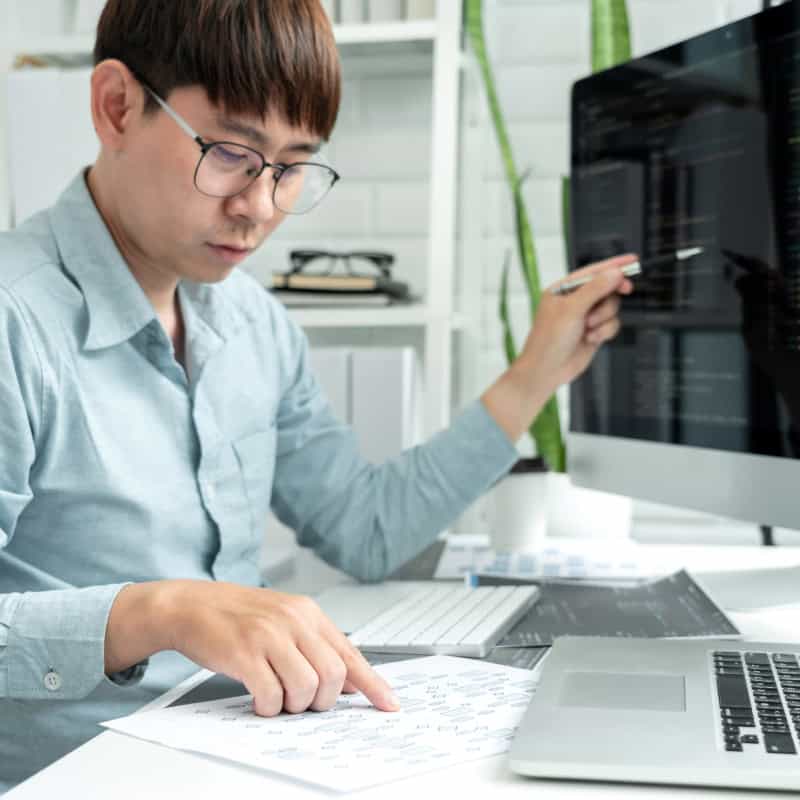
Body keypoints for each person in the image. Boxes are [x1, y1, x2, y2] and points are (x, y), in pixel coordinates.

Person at [0, 0, 635, 790]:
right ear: (117, 106)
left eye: (292, 166)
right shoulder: (15, 317)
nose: (260, 207)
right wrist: (158, 612)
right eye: (230, 153)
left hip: (242, 754)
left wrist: (535, 372)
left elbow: (365, 529)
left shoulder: (253, 324)